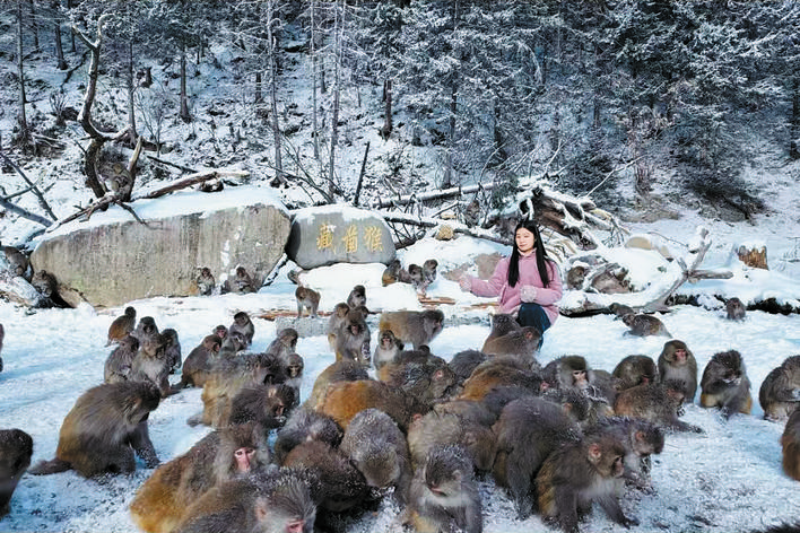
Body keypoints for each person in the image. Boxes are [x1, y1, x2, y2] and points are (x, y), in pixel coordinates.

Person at [459, 218, 562, 339]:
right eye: (518, 237)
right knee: (500, 332)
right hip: (511, 313)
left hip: (539, 313)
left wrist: (536, 294)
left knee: (529, 309)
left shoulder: (548, 264)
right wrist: (471, 283)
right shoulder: (506, 263)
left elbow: (556, 293)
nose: (521, 240)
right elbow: (493, 288)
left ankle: (532, 348)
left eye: (526, 236)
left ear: (534, 238)